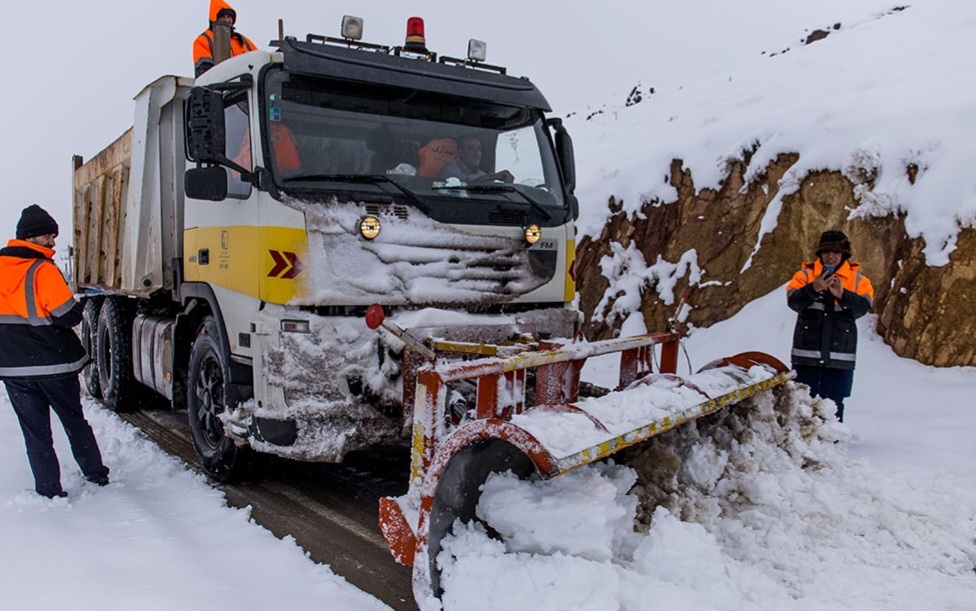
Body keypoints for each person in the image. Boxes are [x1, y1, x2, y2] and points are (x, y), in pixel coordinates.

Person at [0, 205, 110, 498]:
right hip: (53, 367)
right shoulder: (42, 269)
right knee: (74, 421)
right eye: (49, 236)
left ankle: (48, 489)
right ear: (33, 237)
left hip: (13, 369)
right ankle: (96, 474)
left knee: (35, 433)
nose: (52, 242)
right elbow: (67, 316)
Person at [786, 229, 874, 422]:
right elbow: (793, 302)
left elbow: (862, 308)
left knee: (834, 405)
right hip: (806, 357)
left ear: (844, 254)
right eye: (827, 251)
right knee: (802, 403)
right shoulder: (805, 276)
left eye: (836, 252)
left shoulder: (859, 280)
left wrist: (843, 295)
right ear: (820, 253)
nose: (831, 256)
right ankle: (803, 445)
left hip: (840, 358)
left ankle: (830, 445)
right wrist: (814, 288)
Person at [193, 0, 257, 78]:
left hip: (247, 86)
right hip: (220, 87)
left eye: (229, 17)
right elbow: (204, 74)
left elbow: (259, 63)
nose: (227, 20)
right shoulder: (203, 40)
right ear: (214, 18)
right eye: (223, 17)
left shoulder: (245, 41)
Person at [439, 136, 514, 183]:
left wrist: (507, 184)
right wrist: (491, 177)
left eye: (479, 149)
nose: (477, 153)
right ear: (460, 152)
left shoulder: (482, 175)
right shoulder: (450, 169)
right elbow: (463, 185)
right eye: (471, 149)